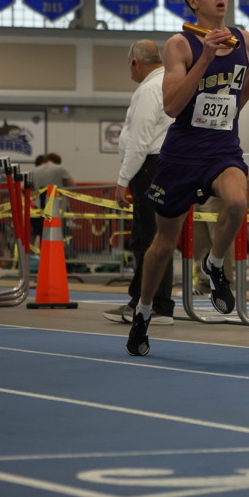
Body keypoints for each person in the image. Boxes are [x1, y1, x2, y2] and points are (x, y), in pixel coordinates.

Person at [126, 0, 249, 356]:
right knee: (163, 244)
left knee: (237, 202)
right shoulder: (179, 45)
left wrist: (236, 107)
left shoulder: (245, 41)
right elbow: (171, 106)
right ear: (193, 1)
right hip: (182, 154)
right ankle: (144, 311)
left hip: (222, 148)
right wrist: (205, 57)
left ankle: (214, 264)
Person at [103, 40, 177, 327]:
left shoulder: (148, 89)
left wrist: (123, 180)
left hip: (150, 168)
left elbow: (139, 141)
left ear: (135, 62)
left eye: (129, 66)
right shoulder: (170, 82)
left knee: (149, 240)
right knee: (156, 238)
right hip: (163, 166)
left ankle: (154, 304)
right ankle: (146, 301)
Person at [31, 153, 76, 248]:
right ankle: (56, 251)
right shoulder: (59, 169)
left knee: (41, 232)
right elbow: (72, 184)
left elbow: (27, 186)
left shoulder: (35, 170)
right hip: (57, 205)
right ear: (57, 161)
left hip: (39, 205)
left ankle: (39, 253)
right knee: (57, 231)